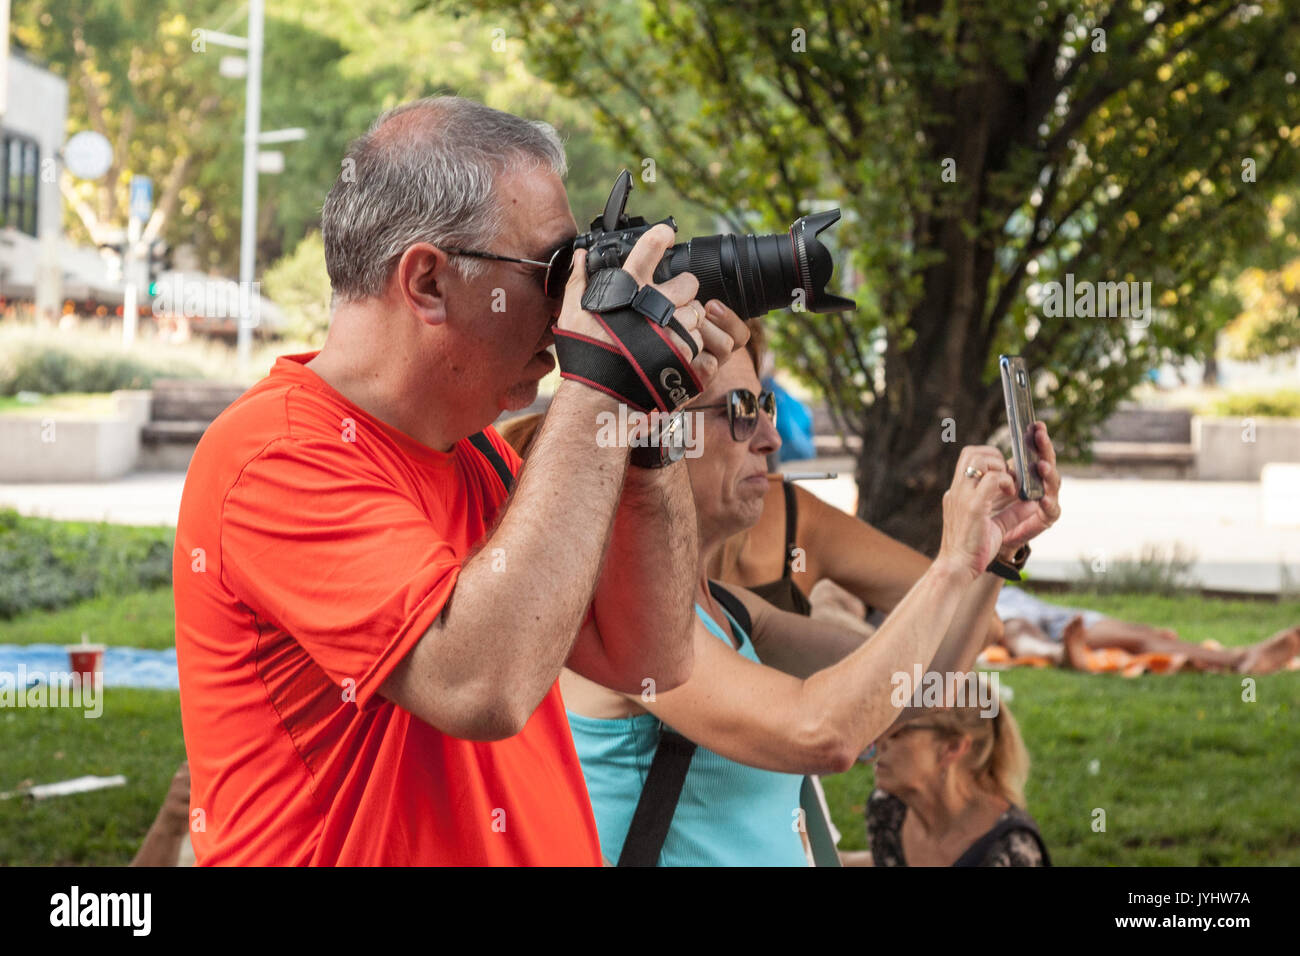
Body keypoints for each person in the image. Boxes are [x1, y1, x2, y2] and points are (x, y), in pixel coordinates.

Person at [173, 96, 747, 865]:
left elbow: (649, 661)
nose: (564, 312)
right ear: (428, 283)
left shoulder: (473, 453)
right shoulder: (275, 456)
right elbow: (481, 686)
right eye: (552, 272)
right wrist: (598, 384)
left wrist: (644, 424)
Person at [559, 323, 1063, 865]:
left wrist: (995, 555)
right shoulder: (622, 611)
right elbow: (823, 732)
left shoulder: (727, 609)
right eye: (740, 412)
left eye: (765, 406)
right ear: (658, 435)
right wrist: (949, 565)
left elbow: (923, 685)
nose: (771, 438)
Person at [866, 688, 1050, 866]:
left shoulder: (1010, 850)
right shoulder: (887, 809)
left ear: (953, 747)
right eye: (881, 728)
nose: (877, 742)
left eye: (897, 732)